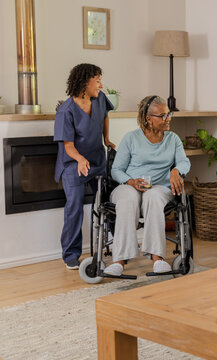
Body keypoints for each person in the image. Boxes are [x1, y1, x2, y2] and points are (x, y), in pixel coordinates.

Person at [103, 95, 190, 276]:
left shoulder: (172, 139)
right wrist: (131, 181)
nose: (167, 119)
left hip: (159, 187)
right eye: (162, 116)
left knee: (153, 197)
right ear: (148, 118)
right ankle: (119, 261)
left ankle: (157, 259)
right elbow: (116, 170)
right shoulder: (131, 138)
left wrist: (175, 171)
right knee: (127, 199)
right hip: (129, 185)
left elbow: (184, 163)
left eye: (168, 114)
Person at [54, 63, 116, 270]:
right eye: (97, 80)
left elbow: (106, 115)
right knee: (74, 206)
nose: (100, 84)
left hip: (97, 161)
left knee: (109, 200)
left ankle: (118, 244)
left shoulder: (99, 99)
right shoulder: (66, 111)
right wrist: (80, 160)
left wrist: (106, 138)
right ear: (84, 82)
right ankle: (71, 255)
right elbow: (68, 146)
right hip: (73, 165)